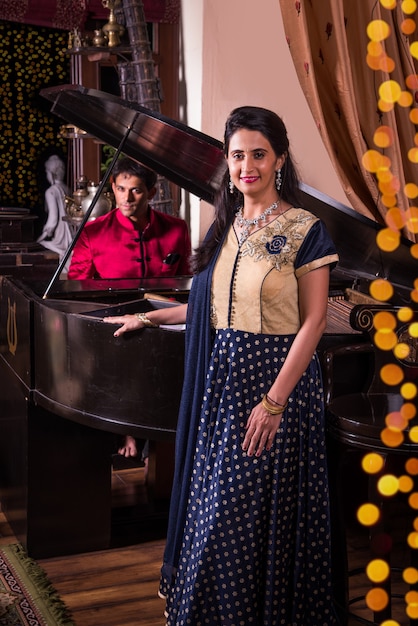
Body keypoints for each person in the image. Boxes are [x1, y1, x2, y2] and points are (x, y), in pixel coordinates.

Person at [103, 106, 339, 624]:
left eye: (258, 154)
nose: (246, 165)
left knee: (244, 518)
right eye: (237, 155)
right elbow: (209, 308)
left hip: (275, 385)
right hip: (223, 386)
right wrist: (147, 318)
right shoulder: (229, 225)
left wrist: (274, 404)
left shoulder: (306, 229)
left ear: (279, 159)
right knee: (214, 514)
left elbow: (315, 322)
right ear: (226, 163)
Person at [69, 156, 192, 459]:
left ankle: (165, 438)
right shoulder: (93, 232)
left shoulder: (176, 229)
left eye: (135, 190)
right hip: (115, 319)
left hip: (163, 319)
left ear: (151, 192)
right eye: (121, 189)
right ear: (113, 187)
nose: (127, 198)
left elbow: (188, 281)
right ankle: (128, 429)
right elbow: (77, 284)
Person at [37, 154, 73, 262]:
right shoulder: (68, 189)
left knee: (41, 244)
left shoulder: (51, 191)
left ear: (52, 174)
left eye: (47, 172)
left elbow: (53, 219)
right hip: (71, 234)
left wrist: (42, 236)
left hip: (60, 238)